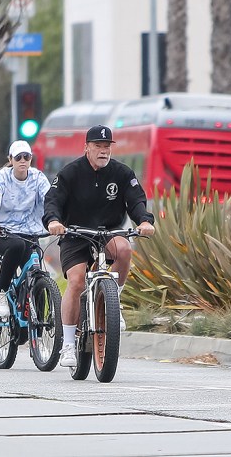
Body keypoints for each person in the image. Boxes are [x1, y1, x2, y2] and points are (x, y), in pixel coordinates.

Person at [43, 125, 155, 367]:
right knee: (76, 281)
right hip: (75, 234)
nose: (103, 151)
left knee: (124, 249)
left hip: (108, 232)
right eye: (98, 146)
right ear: (87, 148)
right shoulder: (69, 173)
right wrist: (53, 221)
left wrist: (144, 220)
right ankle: (69, 345)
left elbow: (136, 201)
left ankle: (114, 301)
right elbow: (53, 200)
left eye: (107, 147)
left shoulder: (122, 173)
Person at [0, 140, 51, 317]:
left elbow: (51, 199)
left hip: (29, 232)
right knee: (17, 245)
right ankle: (1, 292)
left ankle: (39, 325)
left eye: (26, 157)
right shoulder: (1, 178)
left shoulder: (38, 178)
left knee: (36, 269)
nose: (22, 160)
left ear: (30, 159)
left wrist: (57, 220)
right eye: (18, 157)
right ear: (10, 159)